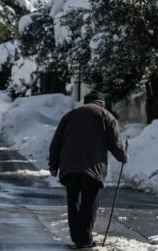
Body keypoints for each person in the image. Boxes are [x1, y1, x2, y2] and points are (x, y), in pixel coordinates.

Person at [48, 91, 128, 249]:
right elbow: (115, 143)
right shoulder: (106, 116)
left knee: (74, 202)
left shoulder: (70, 116)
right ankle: (83, 240)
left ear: (86, 102)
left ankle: (76, 237)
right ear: (102, 103)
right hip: (93, 167)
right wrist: (123, 157)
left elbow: (56, 141)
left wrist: (53, 165)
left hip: (70, 167)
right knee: (89, 204)